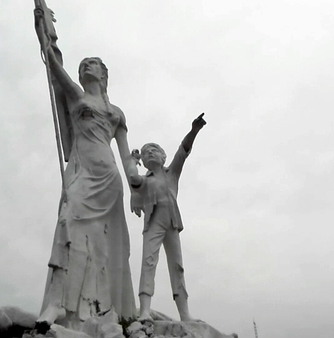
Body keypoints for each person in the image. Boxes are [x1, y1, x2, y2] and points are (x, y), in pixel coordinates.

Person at [33, 5, 138, 330]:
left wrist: (136, 183)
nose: (85, 67)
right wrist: (42, 28)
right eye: (82, 65)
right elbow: (52, 62)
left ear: (104, 75)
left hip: (109, 179)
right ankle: (56, 304)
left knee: (103, 247)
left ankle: (103, 310)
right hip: (82, 173)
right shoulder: (75, 95)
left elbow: (124, 156)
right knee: (67, 224)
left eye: (91, 64)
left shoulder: (117, 112)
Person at [130, 113, 207, 322]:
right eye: (146, 153)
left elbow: (183, 152)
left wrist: (194, 131)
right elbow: (133, 184)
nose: (150, 153)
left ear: (163, 156)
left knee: (177, 266)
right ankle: (145, 309)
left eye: (154, 150)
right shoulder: (144, 181)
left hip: (171, 222)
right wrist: (133, 195)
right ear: (144, 162)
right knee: (148, 262)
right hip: (153, 223)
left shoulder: (171, 172)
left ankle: (184, 313)